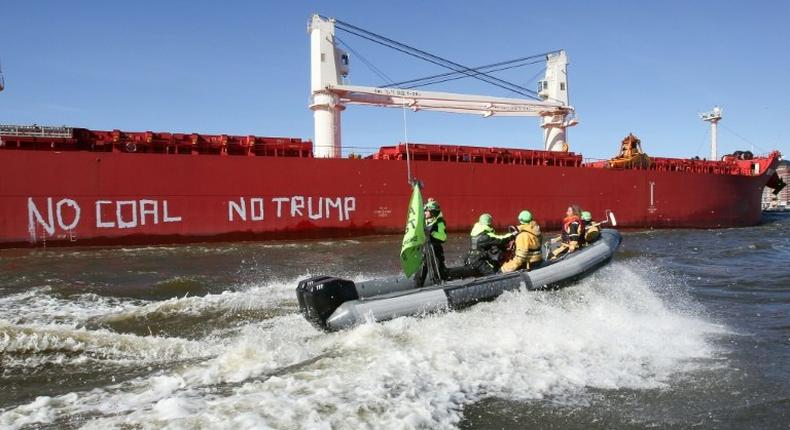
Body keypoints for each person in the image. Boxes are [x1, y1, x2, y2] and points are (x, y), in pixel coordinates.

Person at [415, 198, 447, 287]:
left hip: (435, 251)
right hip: (424, 250)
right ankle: (417, 288)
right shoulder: (424, 221)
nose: (424, 212)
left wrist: (432, 233)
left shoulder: (440, 222)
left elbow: (443, 237)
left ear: (432, 212)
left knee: (436, 273)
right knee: (420, 274)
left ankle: (440, 287)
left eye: (426, 211)